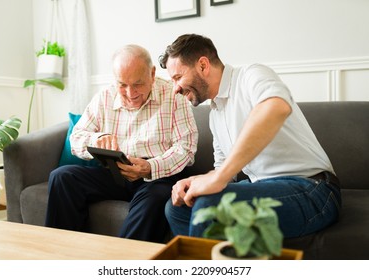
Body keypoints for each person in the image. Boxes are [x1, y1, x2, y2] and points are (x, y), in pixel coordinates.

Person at [159, 34, 341, 238]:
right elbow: (223, 171)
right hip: (263, 186)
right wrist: (195, 181)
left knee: (208, 206)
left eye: (177, 78)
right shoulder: (215, 114)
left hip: (313, 188)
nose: (175, 89)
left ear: (203, 65)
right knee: (177, 209)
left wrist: (220, 177)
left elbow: (276, 107)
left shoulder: (251, 75)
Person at [45, 44, 198, 243]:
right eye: (122, 84)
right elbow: (76, 137)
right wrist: (96, 139)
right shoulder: (105, 97)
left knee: (155, 199)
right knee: (62, 177)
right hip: (116, 173)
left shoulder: (174, 95)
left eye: (137, 84)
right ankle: (62, 254)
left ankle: (121, 266)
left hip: (158, 176)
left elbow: (186, 149)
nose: (130, 92)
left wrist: (149, 167)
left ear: (152, 74)